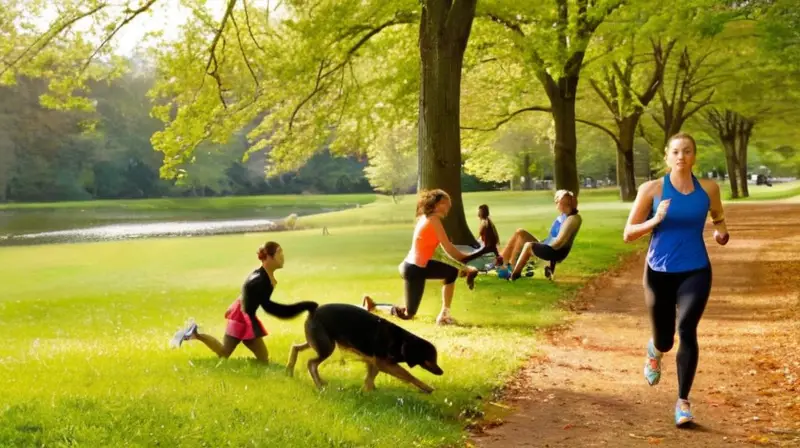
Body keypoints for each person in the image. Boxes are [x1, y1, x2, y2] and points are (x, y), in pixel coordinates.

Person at [623, 132, 730, 427]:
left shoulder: (708, 189)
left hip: (695, 270)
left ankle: (683, 402)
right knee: (666, 339)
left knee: (687, 329)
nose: (681, 156)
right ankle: (654, 349)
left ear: (694, 156)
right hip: (658, 272)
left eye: (687, 151)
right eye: (676, 152)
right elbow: (628, 233)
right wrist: (655, 221)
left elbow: (717, 216)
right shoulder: (652, 189)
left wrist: (721, 232)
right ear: (667, 157)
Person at [169, 241, 317, 362]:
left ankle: (195, 333)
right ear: (269, 258)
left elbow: (250, 296)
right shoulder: (260, 280)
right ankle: (196, 333)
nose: (283, 257)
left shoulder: (265, 276)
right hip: (243, 317)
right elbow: (268, 307)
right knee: (262, 359)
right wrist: (302, 307)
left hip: (242, 313)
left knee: (224, 352)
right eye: (279, 253)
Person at [362, 189, 479, 325]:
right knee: (408, 314)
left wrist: (463, 266)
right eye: (446, 203)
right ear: (436, 204)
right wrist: (469, 259)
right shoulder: (433, 220)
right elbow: (449, 249)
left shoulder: (427, 218)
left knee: (451, 272)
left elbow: (440, 254)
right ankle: (375, 307)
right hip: (414, 270)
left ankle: (444, 315)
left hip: (420, 267)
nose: (449, 207)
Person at [498, 190, 582, 281]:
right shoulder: (564, 216)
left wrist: (541, 246)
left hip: (555, 250)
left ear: (564, 203)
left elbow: (559, 242)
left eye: (557, 202)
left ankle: (514, 274)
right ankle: (502, 261)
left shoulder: (572, 219)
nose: (556, 205)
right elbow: (553, 237)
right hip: (549, 245)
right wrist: (542, 243)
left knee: (528, 246)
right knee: (520, 232)